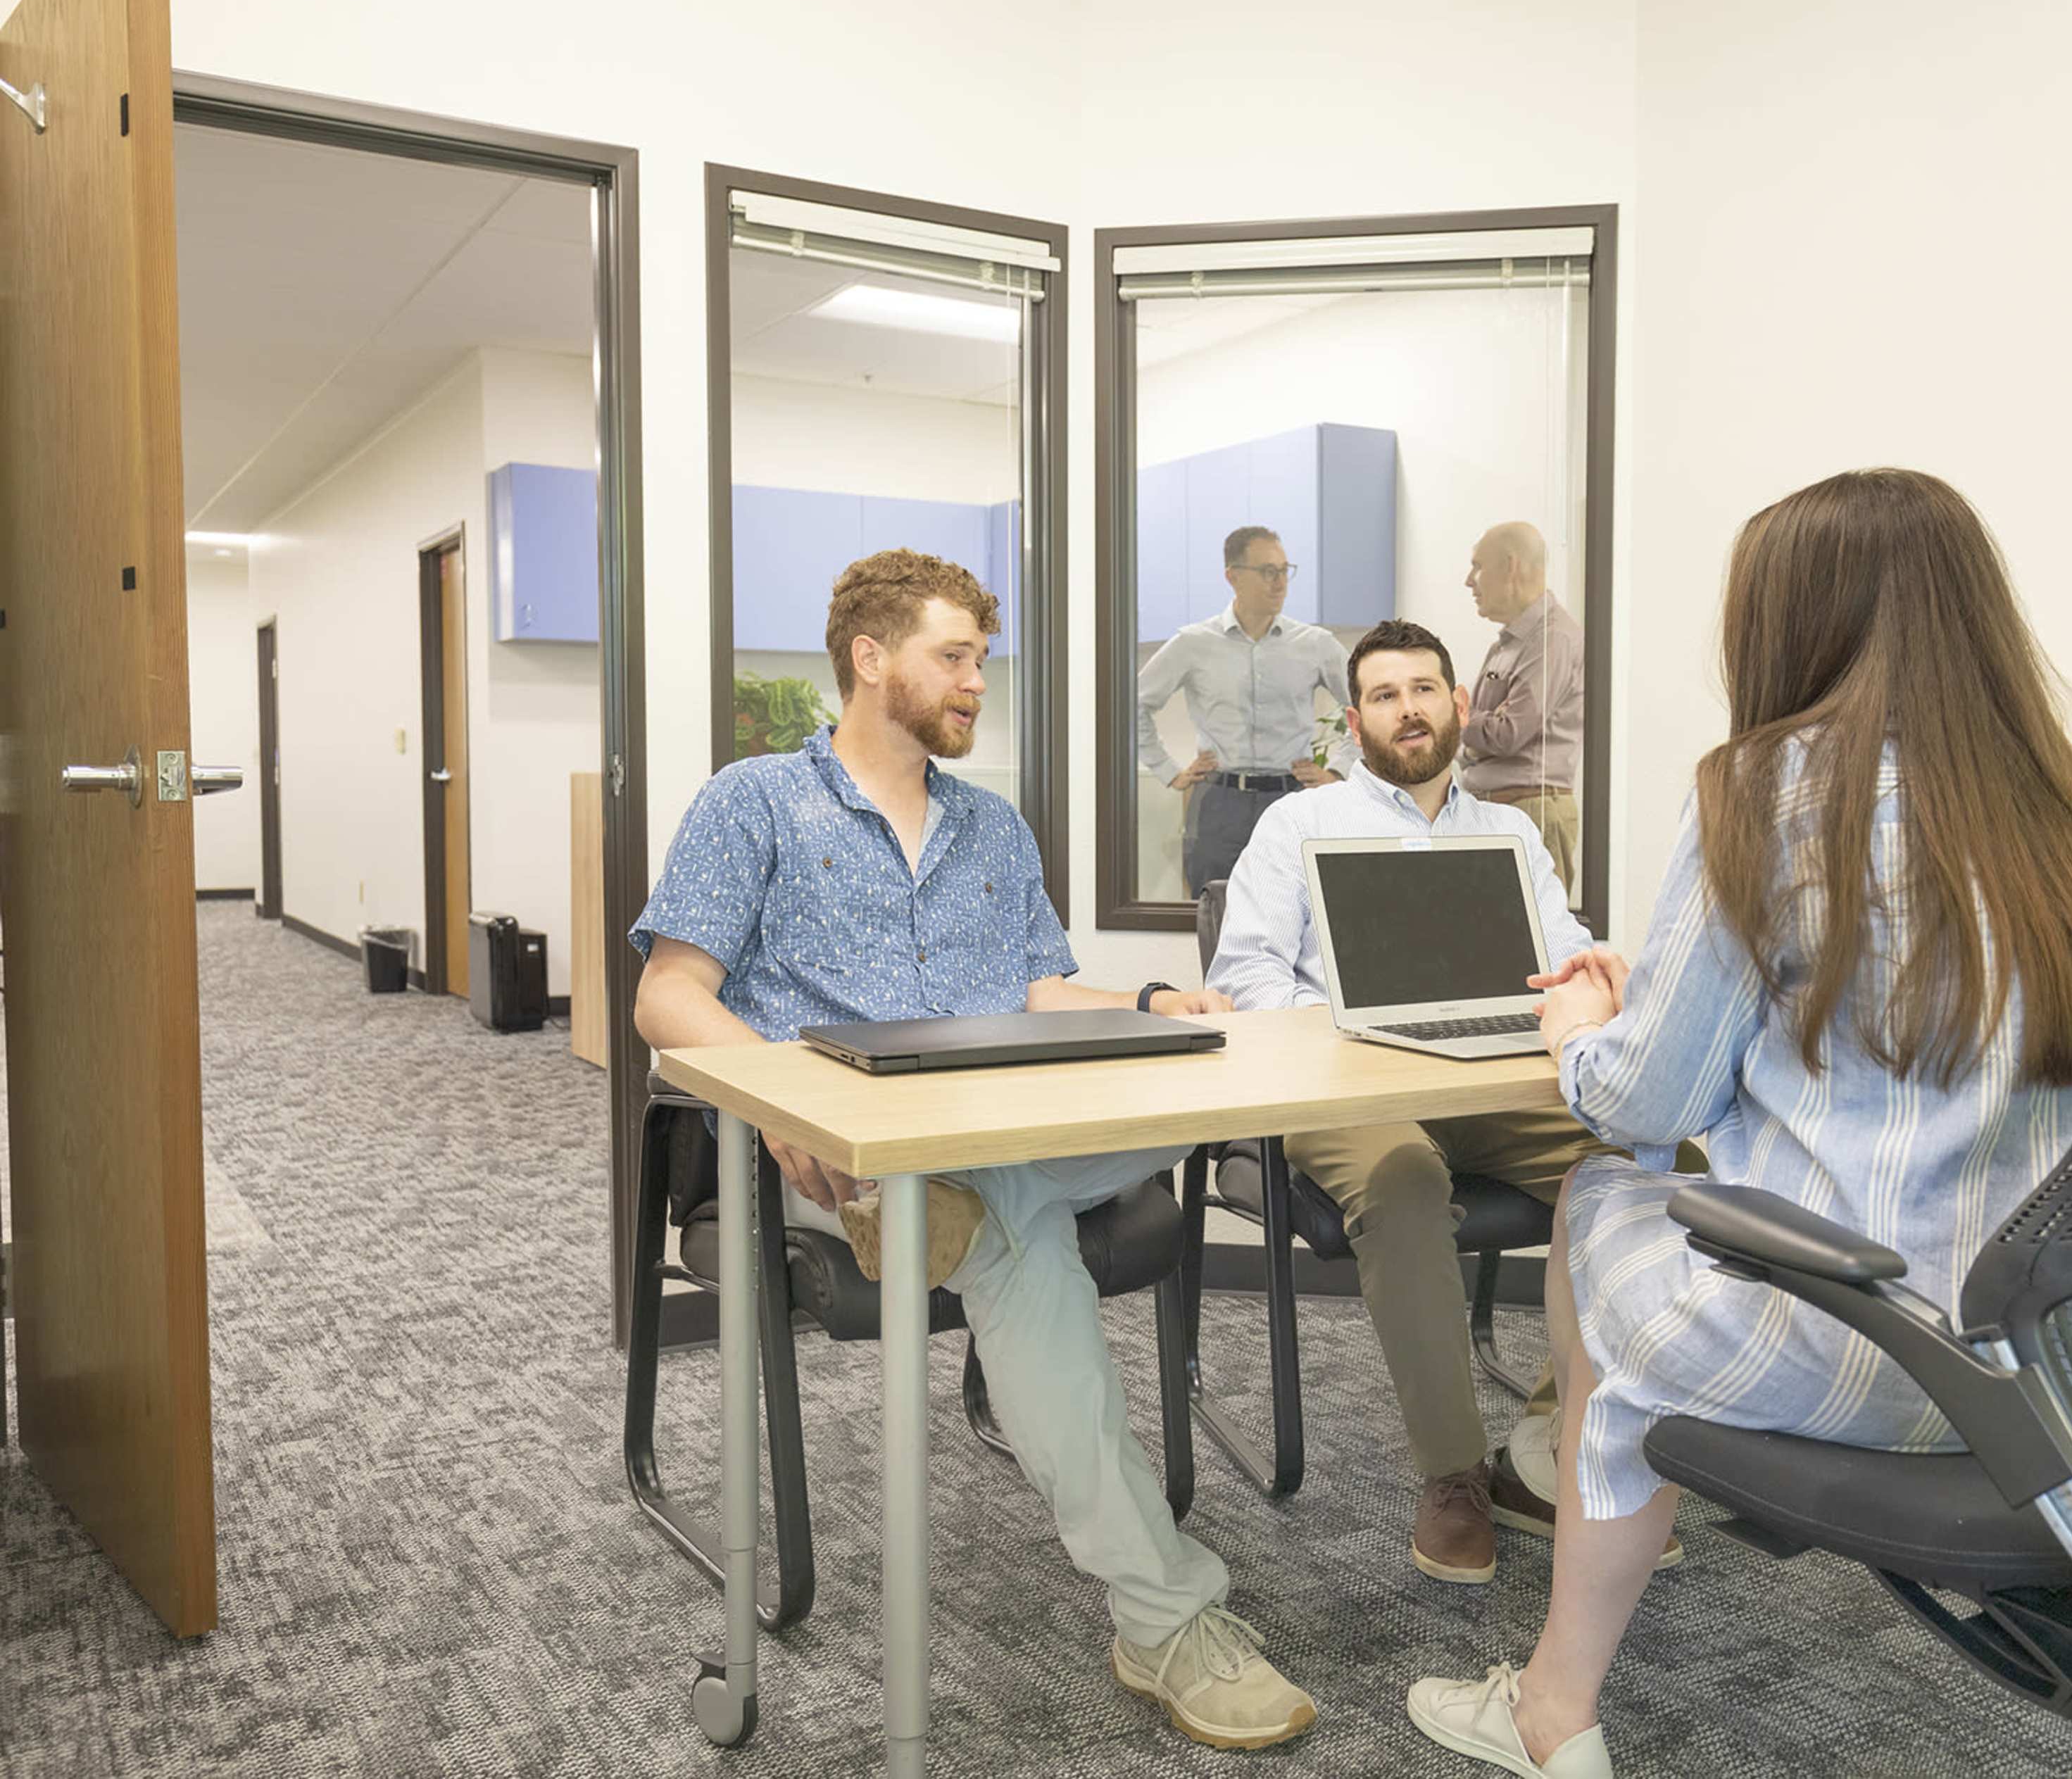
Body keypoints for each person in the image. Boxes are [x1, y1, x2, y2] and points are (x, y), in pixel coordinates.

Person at [1405, 470, 2072, 1778]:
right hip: (2044, 1372)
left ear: (1793, 621)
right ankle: (1600, 1468)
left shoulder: (1771, 785)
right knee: (1647, 1227)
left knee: (1598, 1196)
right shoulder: (2065, 808)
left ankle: (1556, 1690)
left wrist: (1582, 1026)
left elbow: (1645, 1104)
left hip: (1838, 1354)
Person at [632, 548, 1319, 1753]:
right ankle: (1165, 1613)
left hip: (1006, 1131)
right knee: (1007, 1226)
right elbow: (669, 994)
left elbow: (1040, 988)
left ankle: (975, 1192)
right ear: (870, 657)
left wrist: (1151, 1003)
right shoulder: (754, 802)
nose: (973, 682)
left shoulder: (992, 827)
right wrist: (784, 1101)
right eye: (953, 657)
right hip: (839, 1159)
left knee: (1208, 1096)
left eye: (981, 661)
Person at [1208, 617, 1695, 1591]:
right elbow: (1244, 972)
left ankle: (1552, 1442)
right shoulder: (1298, 826)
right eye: (1385, 695)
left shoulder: (1508, 831)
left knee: (1655, 1158)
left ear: (1459, 704)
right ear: (1355, 719)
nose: (1409, 708)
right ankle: (1456, 1472)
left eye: (1425, 688)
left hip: (1492, 1074)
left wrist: (1594, 980)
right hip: (1344, 1083)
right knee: (1403, 1178)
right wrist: (1349, 1023)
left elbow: (1560, 959)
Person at [1134, 524, 1350, 896]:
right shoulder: (1193, 643)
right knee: (1215, 920)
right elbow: (1132, 708)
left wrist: (1337, 772)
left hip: (1292, 798)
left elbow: (1367, 711)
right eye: (1268, 571)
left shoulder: (1316, 645)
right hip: (1219, 804)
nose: (1279, 582)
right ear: (1232, 577)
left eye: (1285, 571)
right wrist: (1170, 773)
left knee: (1299, 921)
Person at [1457, 522, 1583, 898]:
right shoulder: (1511, 642)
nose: (1469, 581)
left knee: (1535, 948)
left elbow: (1509, 733)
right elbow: (1489, 731)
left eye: (1477, 566)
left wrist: (1459, 715)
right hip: (1497, 813)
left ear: (1510, 566)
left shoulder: (1552, 638)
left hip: (1532, 815)